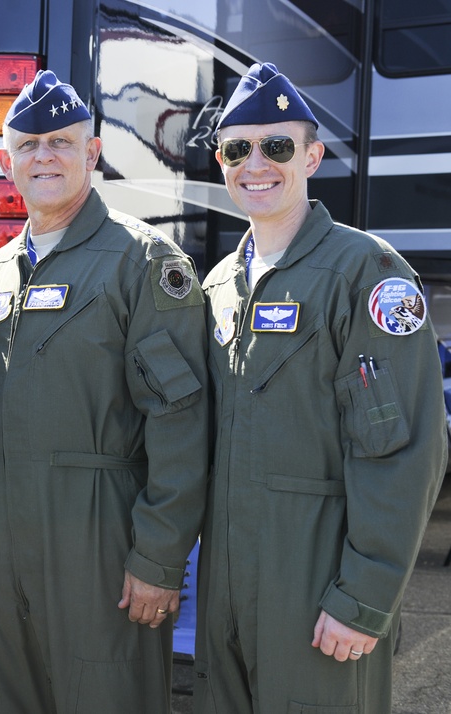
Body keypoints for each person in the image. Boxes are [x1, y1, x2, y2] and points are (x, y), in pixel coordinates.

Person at [195, 62, 447, 713]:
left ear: (313, 155)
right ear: (220, 161)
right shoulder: (220, 283)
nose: (257, 163)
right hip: (225, 584)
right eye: (237, 148)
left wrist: (363, 599)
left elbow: (402, 451)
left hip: (315, 579)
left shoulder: (366, 271)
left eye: (277, 146)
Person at [0, 70, 209, 712]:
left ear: (92, 152)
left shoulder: (142, 262)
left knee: (106, 695)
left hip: (100, 538)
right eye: (28, 145)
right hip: (6, 537)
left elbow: (180, 418)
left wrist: (159, 557)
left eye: (60, 142)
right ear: (6, 161)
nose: (43, 155)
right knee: (13, 694)